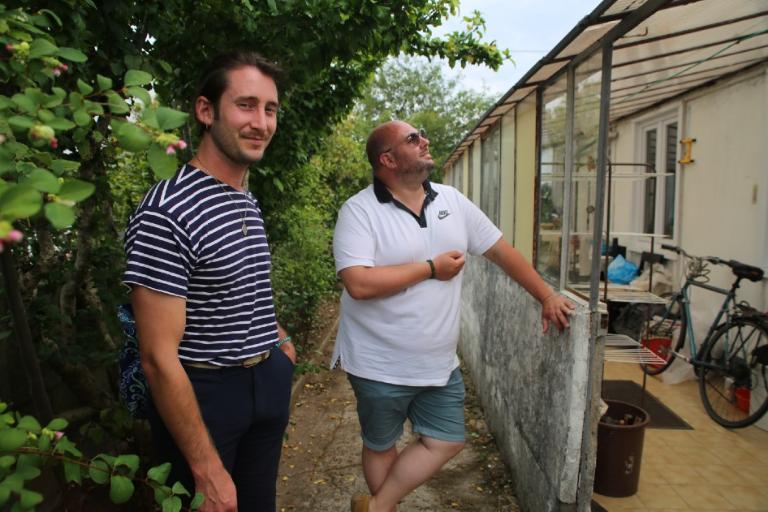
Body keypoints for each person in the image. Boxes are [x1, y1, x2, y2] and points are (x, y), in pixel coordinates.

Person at [332, 121, 575, 512]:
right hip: (378, 363)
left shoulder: (452, 200)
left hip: (439, 362)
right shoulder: (359, 211)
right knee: (381, 444)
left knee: (447, 440)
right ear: (388, 159)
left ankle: (375, 507)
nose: (425, 140)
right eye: (413, 139)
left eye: (423, 134)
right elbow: (358, 283)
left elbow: (500, 251)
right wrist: (430, 268)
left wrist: (545, 294)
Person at [123, 51, 296, 512]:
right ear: (205, 111)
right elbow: (158, 358)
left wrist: (278, 344)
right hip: (205, 400)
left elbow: (244, 286)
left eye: (270, 109)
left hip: (267, 381)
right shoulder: (167, 213)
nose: (261, 122)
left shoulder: (243, 196)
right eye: (246, 105)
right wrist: (205, 468)